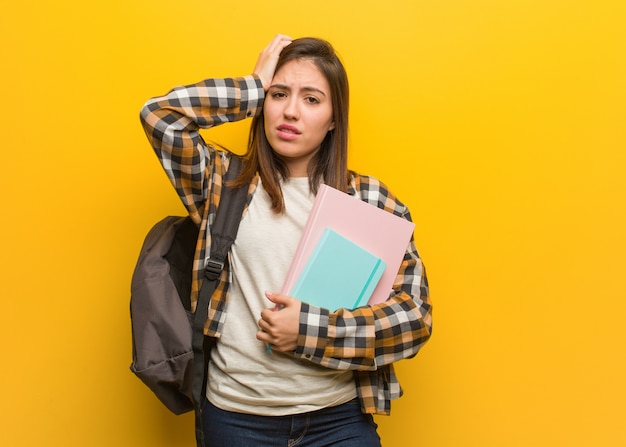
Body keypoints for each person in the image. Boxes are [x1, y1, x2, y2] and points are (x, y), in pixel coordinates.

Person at [140, 34, 432, 447]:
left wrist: (310, 330)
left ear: (334, 118)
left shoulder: (370, 201)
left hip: (338, 419)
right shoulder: (222, 183)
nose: (291, 111)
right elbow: (159, 115)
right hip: (236, 419)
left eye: (312, 99)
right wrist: (252, 87)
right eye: (279, 94)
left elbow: (414, 317)